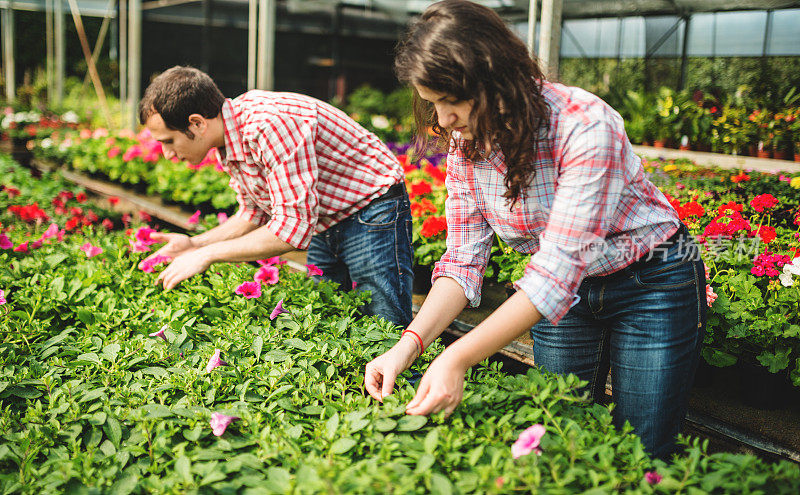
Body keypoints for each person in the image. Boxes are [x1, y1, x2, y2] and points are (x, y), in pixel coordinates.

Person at [364, 0, 706, 459]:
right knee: (560, 431)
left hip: (651, 282)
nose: (443, 122)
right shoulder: (467, 146)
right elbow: (463, 261)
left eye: (451, 103)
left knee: (640, 450)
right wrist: (411, 345)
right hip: (568, 296)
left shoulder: (585, 127)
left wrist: (456, 356)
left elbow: (554, 274)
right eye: (433, 105)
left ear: (495, 82)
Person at [138, 66, 413, 328]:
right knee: (328, 316)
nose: (167, 153)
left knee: (383, 323)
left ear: (196, 124)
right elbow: (253, 214)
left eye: (168, 141)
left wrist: (208, 254)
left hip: (372, 208)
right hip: (326, 218)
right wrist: (193, 245)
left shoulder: (267, 125)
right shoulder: (229, 139)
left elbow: (291, 229)